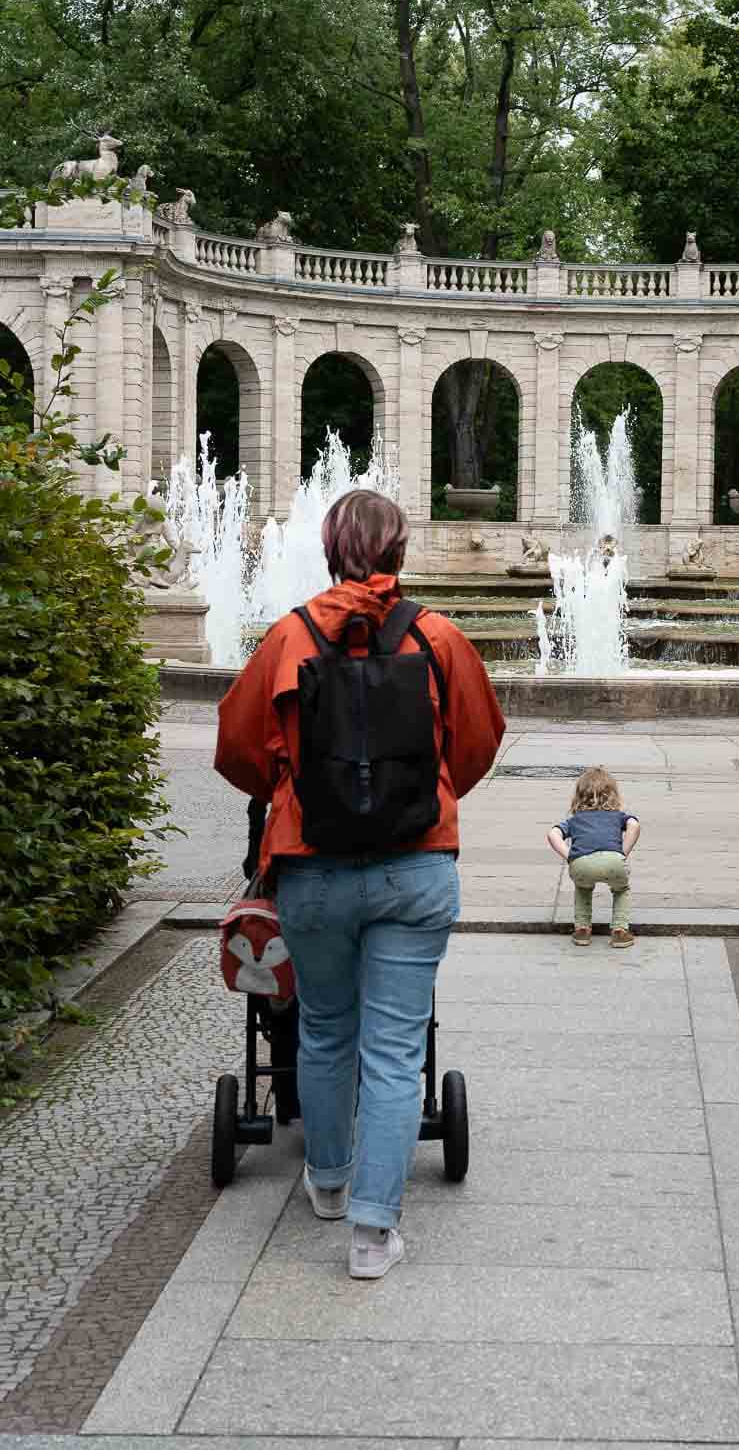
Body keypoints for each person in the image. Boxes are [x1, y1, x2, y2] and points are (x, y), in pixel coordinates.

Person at [214, 490, 504, 1280]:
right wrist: (426, 796)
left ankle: (331, 1182)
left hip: (310, 869)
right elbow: (478, 740)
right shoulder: (437, 636)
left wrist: (288, 787)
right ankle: (373, 1235)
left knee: (324, 1028)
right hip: (415, 869)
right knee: (394, 1048)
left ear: (328, 546)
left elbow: (237, 745)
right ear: (400, 549)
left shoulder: (287, 637)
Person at [547, 766, 640, 948]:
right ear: (613, 794)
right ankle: (620, 930)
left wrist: (570, 856)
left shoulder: (574, 819)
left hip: (581, 863)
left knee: (583, 888)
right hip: (614, 862)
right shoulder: (618, 816)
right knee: (621, 890)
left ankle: (582, 930)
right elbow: (634, 825)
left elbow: (552, 834)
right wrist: (623, 852)